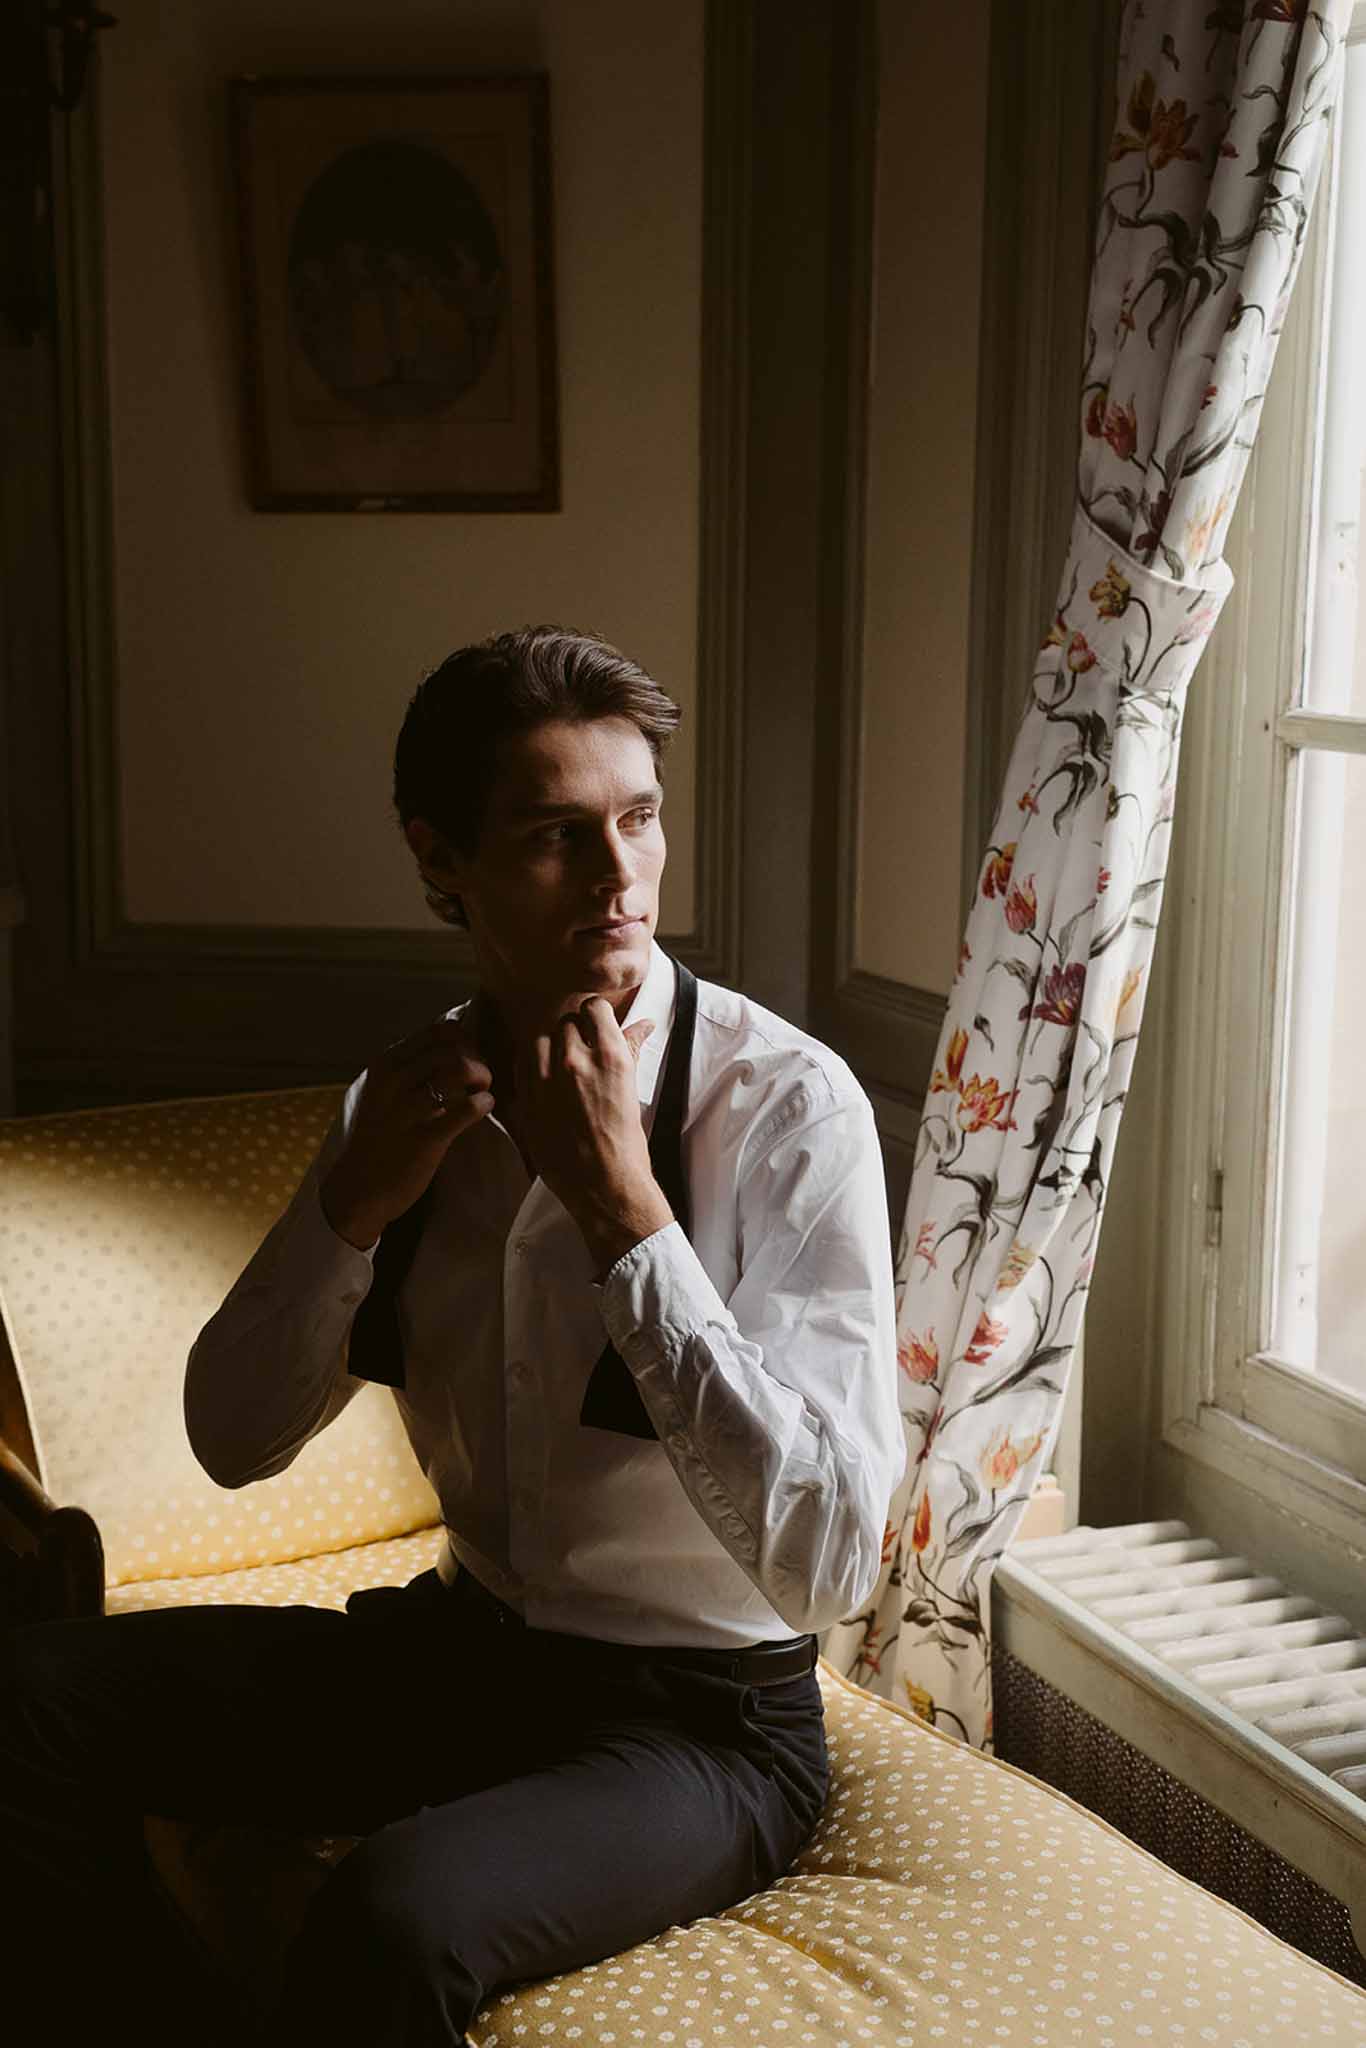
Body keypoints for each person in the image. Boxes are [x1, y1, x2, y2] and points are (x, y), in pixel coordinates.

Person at [0, 625, 904, 2047]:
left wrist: (626, 1221)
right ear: (442, 863)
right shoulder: (406, 1098)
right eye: (555, 835)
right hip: (457, 1657)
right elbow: (234, 1442)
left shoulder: (788, 1114)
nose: (619, 879)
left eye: (639, 819)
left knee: (395, 1911)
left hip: (700, 1726)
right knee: (29, 1696)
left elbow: (829, 1562)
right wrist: (348, 1212)